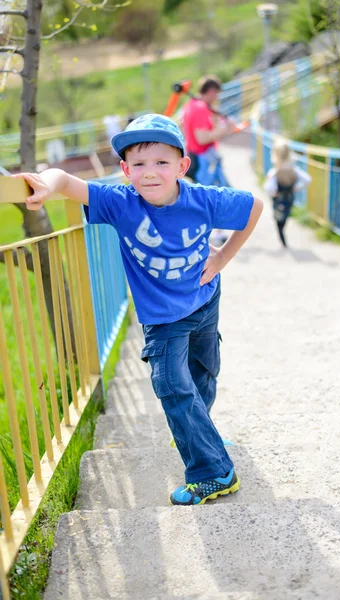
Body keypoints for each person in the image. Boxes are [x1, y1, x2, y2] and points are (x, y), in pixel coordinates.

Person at [15, 113, 263, 507]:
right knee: (172, 385)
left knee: (204, 369)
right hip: (162, 315)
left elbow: (255, 207)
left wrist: (223, 258)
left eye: (162, 162)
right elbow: (69, 183)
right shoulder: (119, 203)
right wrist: (51, 182)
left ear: (182, 166)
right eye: (139, 164)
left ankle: (200, 433)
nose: (151, 173)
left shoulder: (203, 200)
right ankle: (214, 470)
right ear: (125, 169)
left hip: (204, 297)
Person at [183, 75, 237, 245]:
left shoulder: (193, 106)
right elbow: (202, 138)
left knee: (210, 196)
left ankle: (216, 232)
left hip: (200, 157)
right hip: (203, 159)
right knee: (209, 197)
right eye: (217, 94)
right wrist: (226, 130)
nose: (217, 98)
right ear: (211, 91)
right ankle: (206, 234)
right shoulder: (199, 108)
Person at [264, 138, 311, 248]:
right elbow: (307, 179)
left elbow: (269, 187)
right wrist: (297, 188)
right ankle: (283, 237)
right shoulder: (294, 169)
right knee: (285, 216)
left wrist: (273, 193)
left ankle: (282, 238)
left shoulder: (275, 172)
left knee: (278, 218)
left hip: (278, 198)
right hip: (290, 197)